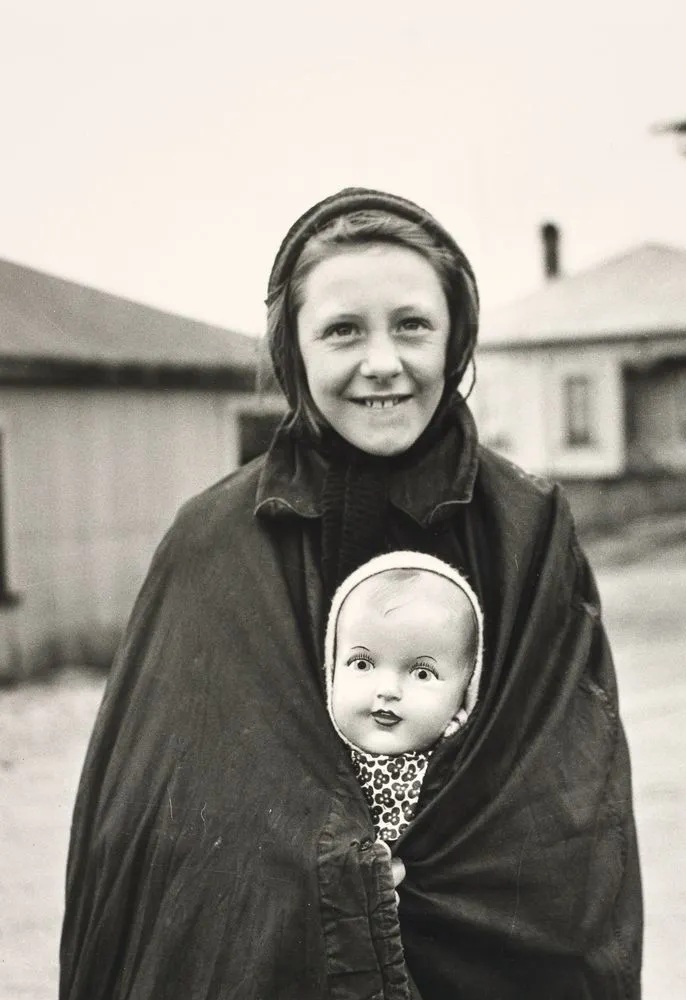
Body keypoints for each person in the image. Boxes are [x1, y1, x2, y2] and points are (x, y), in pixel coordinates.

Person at [60, 187, 644, 1000]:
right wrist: (330, 864)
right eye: (342, 330)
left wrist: (420, 871)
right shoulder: (209, 541)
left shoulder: (526, 526)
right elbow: (158, 825)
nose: (381, 362)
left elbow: (563, 799)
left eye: (411, 324)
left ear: (455, 336)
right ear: (294, 350)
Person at [325, 550, 484, 845]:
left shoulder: (461, 766)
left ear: (463, 695)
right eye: (362, 663)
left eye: (422, 673)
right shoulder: (315, 756)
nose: (387, 690)